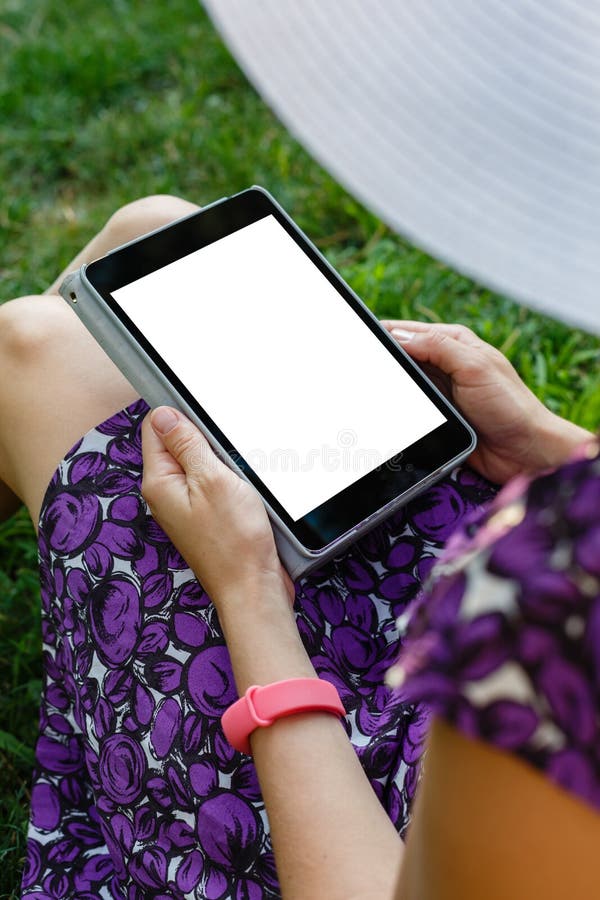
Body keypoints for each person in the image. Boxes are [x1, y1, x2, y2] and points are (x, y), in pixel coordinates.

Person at [0, 196, 594, 899]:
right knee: (153, 232)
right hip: (459, 601)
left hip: (339, 811)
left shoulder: (554, 670)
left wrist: (247, 589)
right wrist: (556, 450)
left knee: (27, 345)